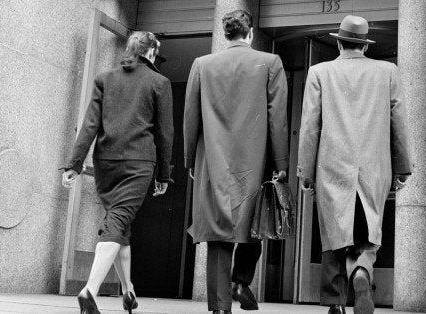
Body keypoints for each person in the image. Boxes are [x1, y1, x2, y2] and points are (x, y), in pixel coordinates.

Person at [297, 15, 412, 314]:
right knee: (367, 231)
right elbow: (398, 121)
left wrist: (305, 172)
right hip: (374, 166)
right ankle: (361, 270)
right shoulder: (388, 71)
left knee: (334, 236)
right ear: (364, 44)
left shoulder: (320, 71)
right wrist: (403, 167)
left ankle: (335, 302)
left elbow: (311, 125)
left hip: (331, 166)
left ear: (338, 41)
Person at [183, 10, 289, 314]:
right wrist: (280, 160)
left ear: (225, 34)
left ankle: (219, 307)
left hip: (213, 158)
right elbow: (277, 118)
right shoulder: (270, 63)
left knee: (218, 228)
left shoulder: (202, 65)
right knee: (254, 222)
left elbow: (191, 119)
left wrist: (191, 160)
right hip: (255, 159)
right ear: (251, 33)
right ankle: (241, 280)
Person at [61, 31, 173, 314]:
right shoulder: (159, 82)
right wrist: (163, 174)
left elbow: (89, 125)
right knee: (118, 220)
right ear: (150, 53)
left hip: (106, 163)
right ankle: (90, 291)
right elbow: (164, 134)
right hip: (139, 164)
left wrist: (75, 164)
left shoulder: (105, 78)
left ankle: (128, 290)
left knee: (119, 223)